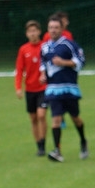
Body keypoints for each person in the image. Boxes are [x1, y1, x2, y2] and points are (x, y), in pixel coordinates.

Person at [39, 14, 88, 162]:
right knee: (56, 119)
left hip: (69, 88)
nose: (53, 30)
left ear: (61, 29)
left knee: (75, 119)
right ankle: (57, 151)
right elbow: (43, 64)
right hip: (53, 89)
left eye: (56, 27)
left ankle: (83, 141)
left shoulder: (69, 44)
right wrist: (42, 75)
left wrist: (63, 62)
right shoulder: (45, 47)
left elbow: (81, 61)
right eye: (51, 27)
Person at [14, 20, 47, 156]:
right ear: (27, 34)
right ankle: (39, 146)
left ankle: (43, 144)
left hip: (43, 88)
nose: (32, 34)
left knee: (41, 115)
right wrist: (18, 87)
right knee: (33, 118)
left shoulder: (45, 47)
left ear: (39, 32)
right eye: (30, 31)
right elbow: (19, 69)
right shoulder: (23, 49)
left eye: (34, 31)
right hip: (30, 89)